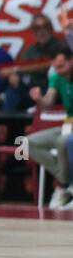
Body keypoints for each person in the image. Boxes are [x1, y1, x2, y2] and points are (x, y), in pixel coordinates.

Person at [28, 54, 73, 209]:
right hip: (68, 126)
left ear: (71, 61)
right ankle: (64, 182)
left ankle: (62, 187)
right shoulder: (56, 78)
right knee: (28, 142)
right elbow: (48, 103)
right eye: (55, 67)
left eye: (61, 66)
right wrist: (39, 99)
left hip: (70, 130)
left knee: (63, 141)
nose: (58, 70)